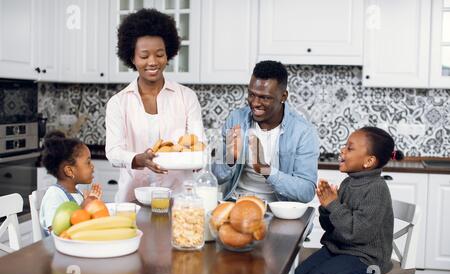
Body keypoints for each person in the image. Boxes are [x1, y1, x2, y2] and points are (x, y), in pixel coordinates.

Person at [294, 127, 404, 274]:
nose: (342, 150)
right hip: (340, 248)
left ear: (368, 162)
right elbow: (331, 228)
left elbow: (357, 234)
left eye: (350, 148)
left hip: (367, 259)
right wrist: (326, 206)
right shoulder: (348, 183)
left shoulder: (376, 189)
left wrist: (334, 204)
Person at [106, 8, 205, 202]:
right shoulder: (118, 103)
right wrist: (138, 159)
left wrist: (197, 160)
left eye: (159, 54)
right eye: (144, 56)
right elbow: (113, 152)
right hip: (132, 202)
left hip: (178, 201)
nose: (153, 62)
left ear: (168, 54)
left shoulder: (186, 97)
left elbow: (198, 144)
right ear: (132, 58)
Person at [212, 60, 319, 203]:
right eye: (251, 94)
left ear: (283, 96)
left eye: (265, 97)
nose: (255, 103)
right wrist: (231, 159)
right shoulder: (236, 119)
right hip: (236, 202)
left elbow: (306, 191)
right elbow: (216, 177)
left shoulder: (303, 132)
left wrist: (266, 170)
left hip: (279, 210)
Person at [39, 131, 102, 234]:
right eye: (88, 162)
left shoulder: (77, 193)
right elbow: (57, 232)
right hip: (58, 249)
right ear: (69, 171)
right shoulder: (54, 195)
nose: (92, 166)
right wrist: (83, 208)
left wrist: (91, 206)